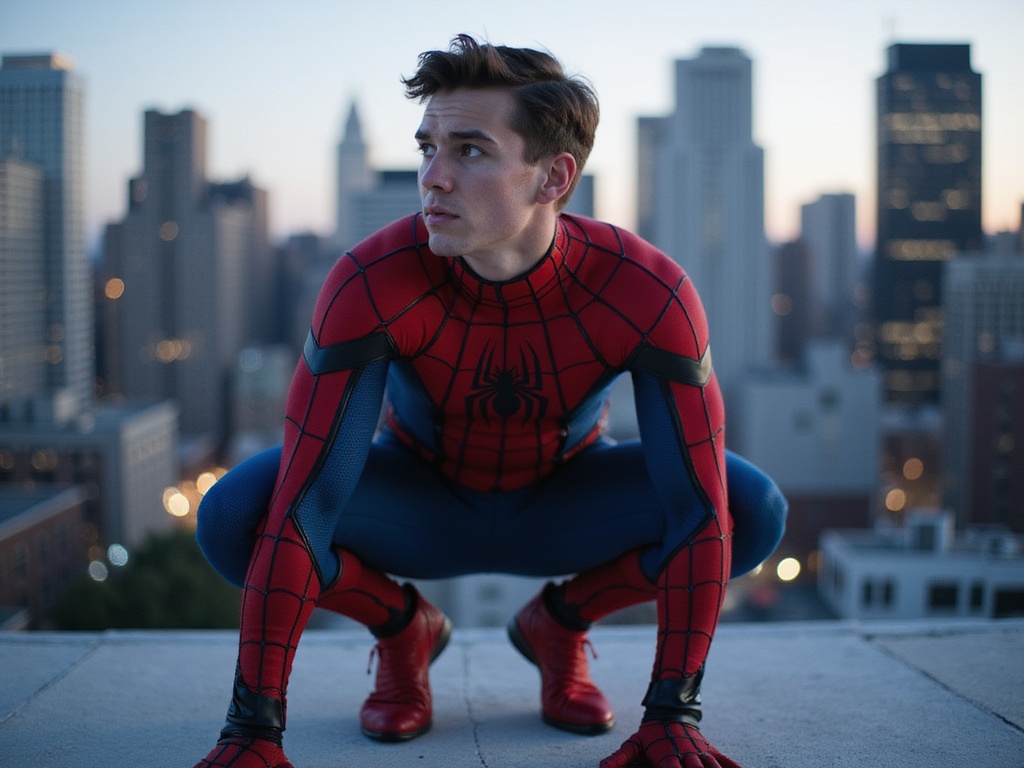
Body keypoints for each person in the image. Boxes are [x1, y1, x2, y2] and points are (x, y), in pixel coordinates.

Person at [193, 34, 787, 768]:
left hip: (565, 501)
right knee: (231, 517)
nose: (433, 178)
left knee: (750, 508)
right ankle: (404, 630)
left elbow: (698, 507)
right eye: (428, 147)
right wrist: (251, 736)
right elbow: (305, 504)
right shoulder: (370, 281)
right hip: (421, 502)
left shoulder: (645, 290)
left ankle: (559, 624)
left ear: (552, 176)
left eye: (469, 150)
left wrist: (673, 716)